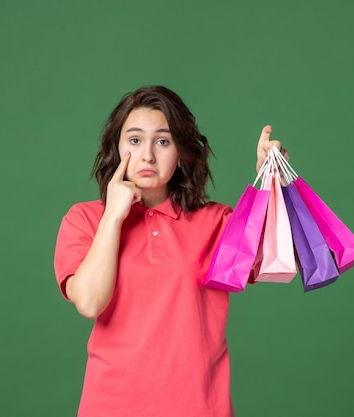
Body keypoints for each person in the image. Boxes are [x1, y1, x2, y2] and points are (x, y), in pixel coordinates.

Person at [54, 85, 288, 417]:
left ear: (180, 152)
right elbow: (90, 301)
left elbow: (274, 260)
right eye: (134, 141)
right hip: (109, 406)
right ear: (117, 148)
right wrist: (113, 216)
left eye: (163, 141)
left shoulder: (217, 222)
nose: (147, 155)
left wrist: (270, 182)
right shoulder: (85, 219)